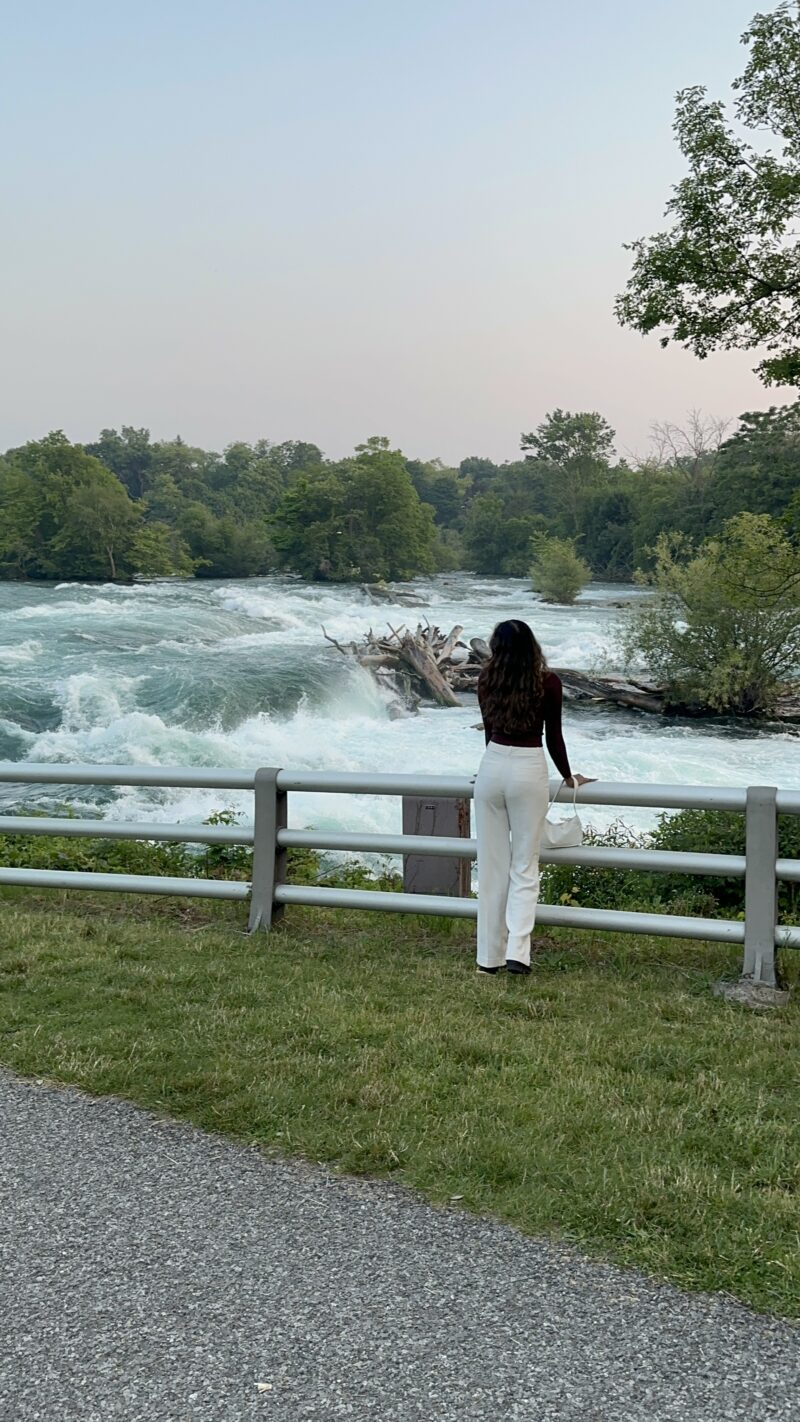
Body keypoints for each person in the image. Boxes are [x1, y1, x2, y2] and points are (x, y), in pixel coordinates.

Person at [474, 619, 593, 976]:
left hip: (492, 766)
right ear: (532, 646)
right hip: (528, 767)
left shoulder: (485, 679)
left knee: (493, 867)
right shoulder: (548, 682)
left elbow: (490, 731)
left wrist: (490, 767)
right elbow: (553, 736)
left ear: (496, 646)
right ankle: (517, 954)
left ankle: (487, 960)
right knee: (525, 865)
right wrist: (569, 776)